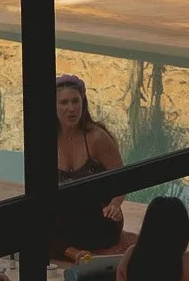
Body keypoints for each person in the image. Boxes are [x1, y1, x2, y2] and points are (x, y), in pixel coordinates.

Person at [50, 73, 138, 263]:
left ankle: (66, 250)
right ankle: (73, 252)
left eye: (75, 101)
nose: (71, 109)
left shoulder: (97, 138)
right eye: (64, 103)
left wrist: (115, 204)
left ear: (83, 103)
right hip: (66, 219)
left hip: (96, 218)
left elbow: (122, 180)